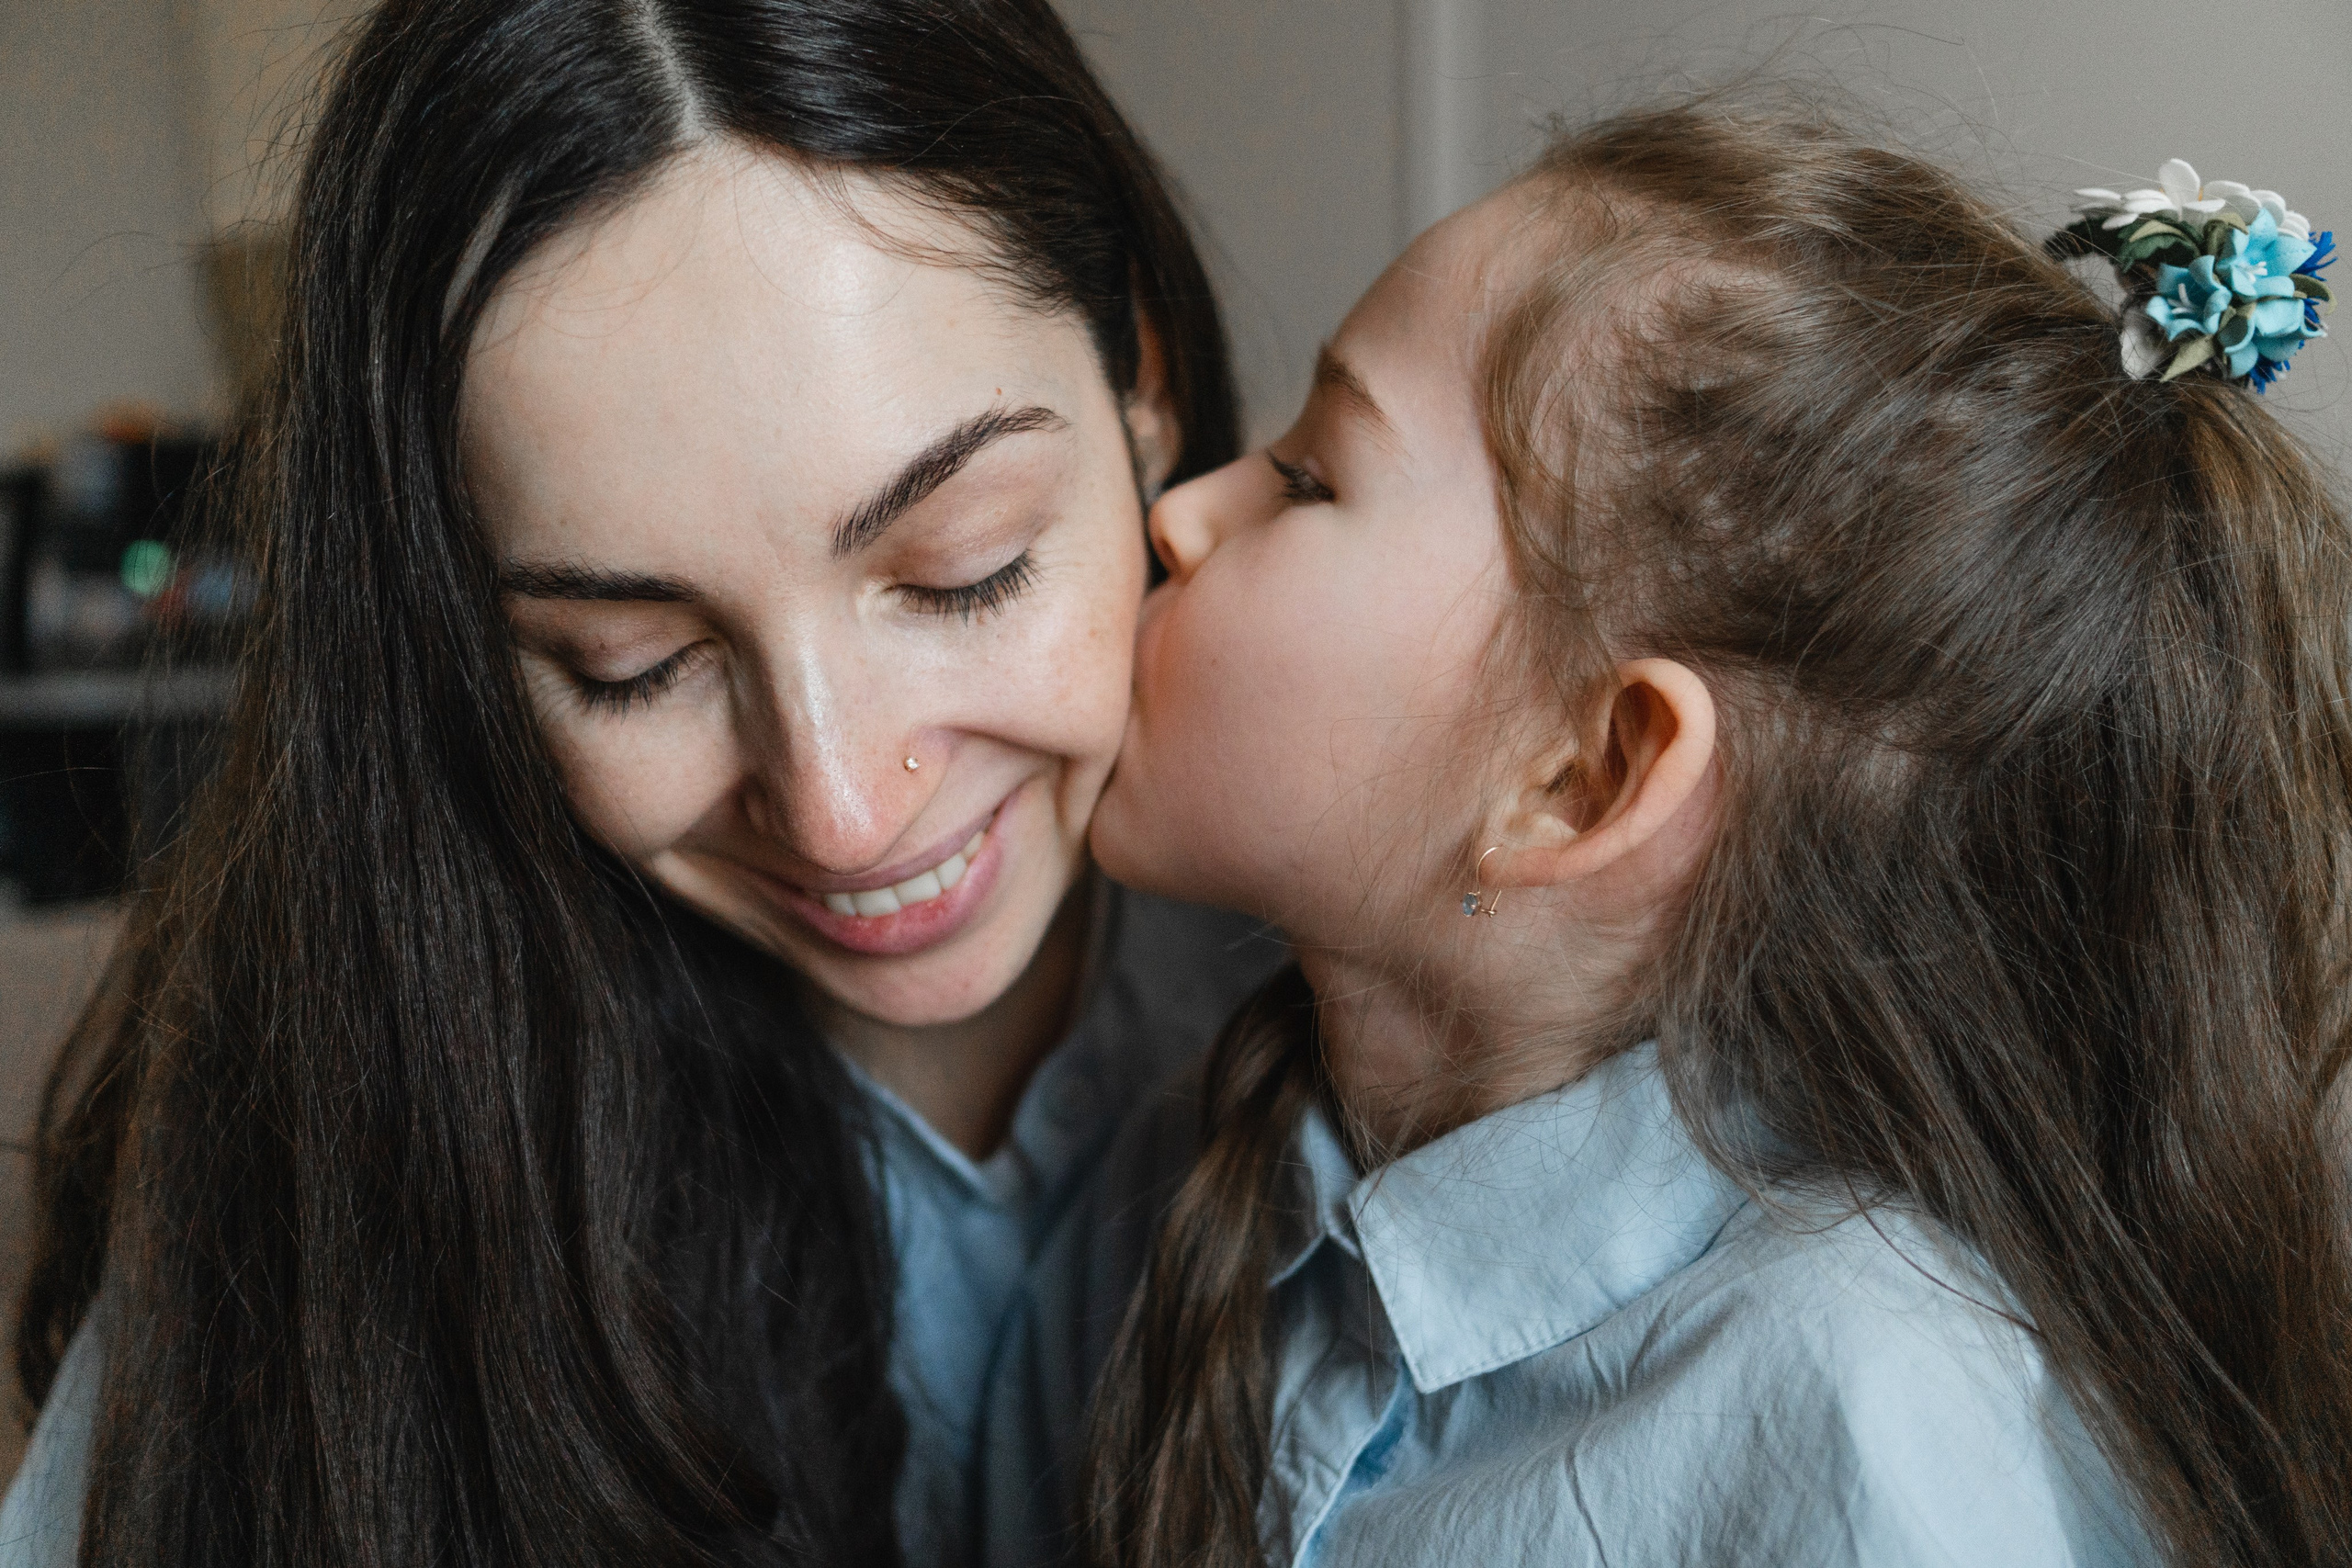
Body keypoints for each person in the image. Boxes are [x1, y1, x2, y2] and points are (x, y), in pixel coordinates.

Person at [1, 2, 1281, 1565]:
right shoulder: (319, 1158)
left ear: (1143, 384)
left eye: (964, 571)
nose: (842, 812)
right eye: (633, 664)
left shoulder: (1404, 984)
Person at [1058, 102, 2352, 1567]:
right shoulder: (1214, 1160)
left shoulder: (1871, 1425)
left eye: (1309, 478)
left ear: (1581, 780)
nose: (1179, 517)